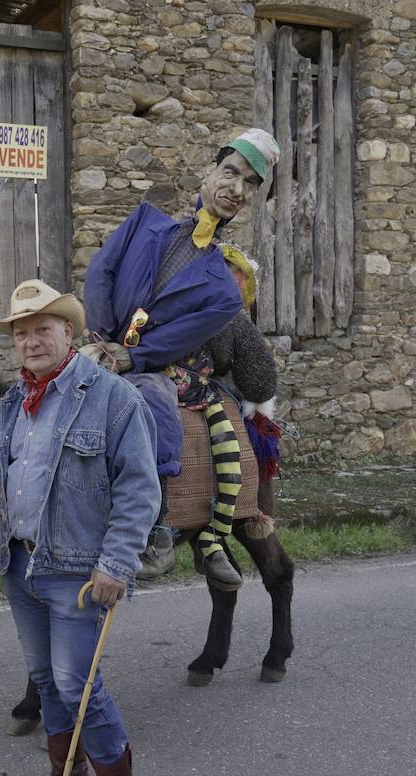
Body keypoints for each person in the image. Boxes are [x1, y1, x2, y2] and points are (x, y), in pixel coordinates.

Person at [0, 278, 160, 776]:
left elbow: (140, 490)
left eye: (43, 328)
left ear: (69, 333)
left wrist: (116, 563)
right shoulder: (13, 404)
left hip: (79, 572)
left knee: (78, 688)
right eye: (21, 332)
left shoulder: (114, 399)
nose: (31, 340)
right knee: (45, 682)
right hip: (21, 566)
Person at [82, 128, 281, 587]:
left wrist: (130, 359)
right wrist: (100, 337)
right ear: (209, 172)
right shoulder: (143, 223)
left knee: (153, 404)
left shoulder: (223, 292)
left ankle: (156, 528)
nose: (236, 188)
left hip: (149, 366)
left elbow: (176, 339)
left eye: (250, 183)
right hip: (97, 343)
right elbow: (101, 272)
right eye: (231, 172)